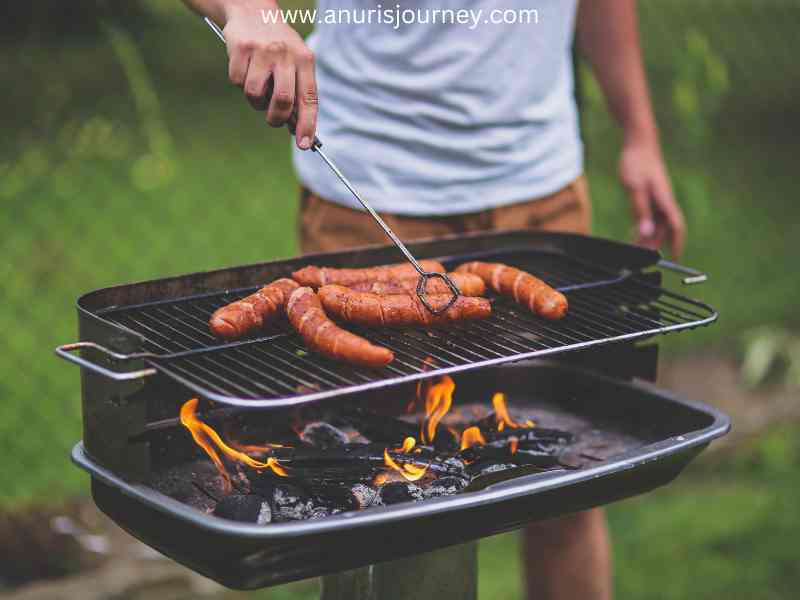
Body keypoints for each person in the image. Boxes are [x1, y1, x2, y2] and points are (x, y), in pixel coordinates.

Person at [183, 1, 686, 598]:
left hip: (542, 189)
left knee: (568, 484)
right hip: (369, 190)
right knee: (369, 496)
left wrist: (640, 135)